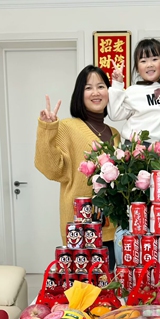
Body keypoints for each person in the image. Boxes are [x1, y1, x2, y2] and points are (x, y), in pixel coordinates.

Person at [34, 65, 119, 269]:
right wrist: (47, 129)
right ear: (79, 95)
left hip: (111, 227)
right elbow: (51, 169)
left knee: (108, 290)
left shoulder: (115, 133)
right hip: (79, 227)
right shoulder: (66, 127)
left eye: (101, 86)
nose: (96, 92)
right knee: (81, 291)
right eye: (88, 88)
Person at [107, 38, 160, 143]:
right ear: (137, 68)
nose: (149, 64)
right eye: (143, 61)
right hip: (135, 145)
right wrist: (117, 84)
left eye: (154, 59)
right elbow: (115, 115)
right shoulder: (132, 91)